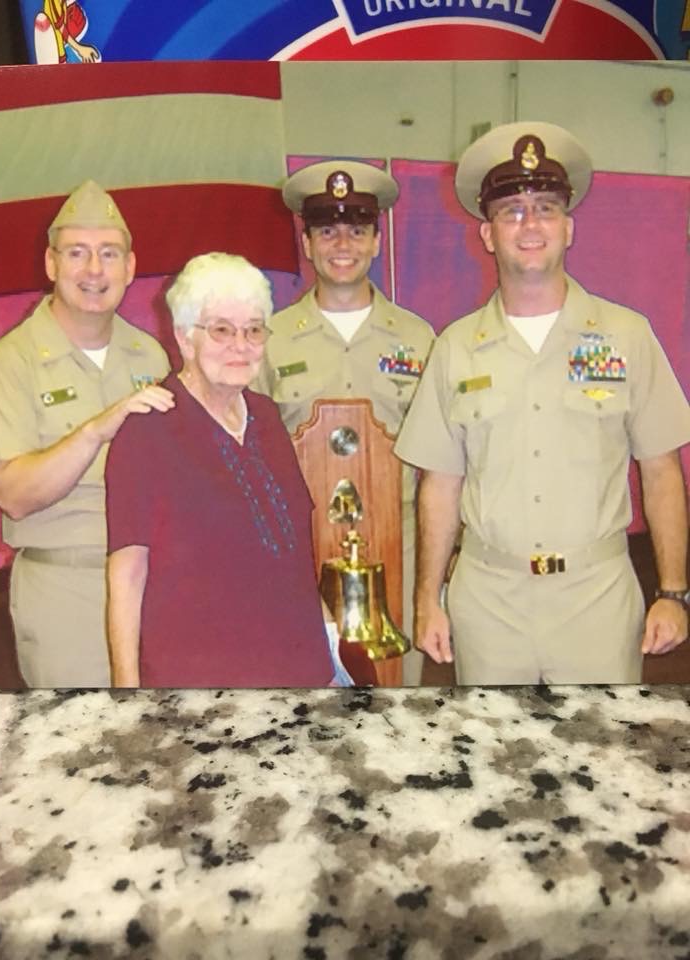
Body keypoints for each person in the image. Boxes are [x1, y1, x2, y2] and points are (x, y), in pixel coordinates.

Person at [395, 121, 690, 685]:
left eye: (546, 208)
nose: (530, 224)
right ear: (487, 234)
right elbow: (440, 485)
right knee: (492, 764)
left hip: (596, 603)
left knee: (601, 764)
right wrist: (428, 597)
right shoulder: (455, 347)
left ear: (569, 228)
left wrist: (673, 591)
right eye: (511, 211)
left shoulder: (628, 336)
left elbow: (662, 472)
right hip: (488, 605)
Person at [0, 180, 172, 688]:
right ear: (51, 264)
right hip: (65, 591)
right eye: (77, 253)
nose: (93, 270)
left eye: (108, 254)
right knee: (82, 757)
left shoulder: (152, 357)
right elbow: (14, 495)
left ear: (130, 267)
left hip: (157, 586)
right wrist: (93, 432)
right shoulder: (10, 363)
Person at [104, 252, 338, 688]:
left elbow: (295, 548)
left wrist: (331, 645)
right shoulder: (148, 430)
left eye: (253, 330)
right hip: (201, 679)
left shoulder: (267, 417)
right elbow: (127, 573)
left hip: (299, 669)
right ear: (184, 338)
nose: (241, 345)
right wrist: (126, 689)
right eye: (221, 330)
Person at [254, 160, 435, 684]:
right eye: (327, 230)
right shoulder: (268, 339)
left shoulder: (420, 339)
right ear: (306, 243)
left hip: (398, 548)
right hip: (297, 550)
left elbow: (444, 461)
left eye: (357, 230)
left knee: (398, 700)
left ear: (377, 241)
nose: (343, 244)